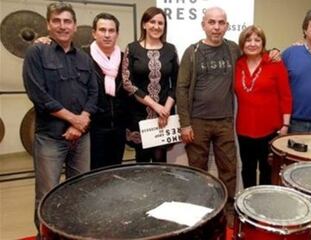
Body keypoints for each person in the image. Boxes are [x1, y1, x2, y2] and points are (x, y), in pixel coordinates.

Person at [22, 2, 98, 233]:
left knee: (80, 191)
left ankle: (74, 235)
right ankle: (46, 237)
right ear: (48, 24)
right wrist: (74, 120)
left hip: (81, 138)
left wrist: (82, 120)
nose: (62, 26)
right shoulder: (37, 52)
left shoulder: (84, 58)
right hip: (50, 138)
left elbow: (94, 92)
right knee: (47, 195)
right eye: (57, 21)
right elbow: (39, 95)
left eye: (67, 21)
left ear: (74, 26)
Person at [176, 6, 240, 225]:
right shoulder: (192, 52)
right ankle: (200, 210)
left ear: (227, 26)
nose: (216, 27)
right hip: (197, 121)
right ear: (203, 25)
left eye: (221, 23)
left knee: (229, 168)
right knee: (197, 170)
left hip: (225, 121)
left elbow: (257, 57)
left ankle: (229, 210)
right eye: (211, 22)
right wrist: (185, 124)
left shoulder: (233, 49)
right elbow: (182, 88)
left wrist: (275, 51)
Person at [235, 25, 292, 188]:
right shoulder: (237, 64)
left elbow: (286, 96)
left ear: (263, 43)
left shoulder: (275, 63)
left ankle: (265, 209)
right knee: (247, 170)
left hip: (270, 129)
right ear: (242, 44)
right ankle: (248, 207)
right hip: (244, 129)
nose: (252, 44)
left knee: (267, 171)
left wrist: (285, 125)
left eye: (257, 40)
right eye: (248, 40)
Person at [122, 7, 179, 163]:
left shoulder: (171, 49)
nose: (156, 26)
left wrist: (165, 110)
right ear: (144, 24)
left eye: (160, 23)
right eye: (152, 22)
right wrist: (155, 106)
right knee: (142, 160)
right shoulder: (132, 48)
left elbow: (176, 83)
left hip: (164, 115)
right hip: (140, 114)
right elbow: (127, 83)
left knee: (161, 160)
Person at [87, 13, 128, 170]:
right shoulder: (83, 58)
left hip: (118, 127)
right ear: (94, 33)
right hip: (93, 128)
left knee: (115, 171)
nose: (107, 35)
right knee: (94, 173)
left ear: (117, 34)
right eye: (102, 30)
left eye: (111, 31)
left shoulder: (125, 59)